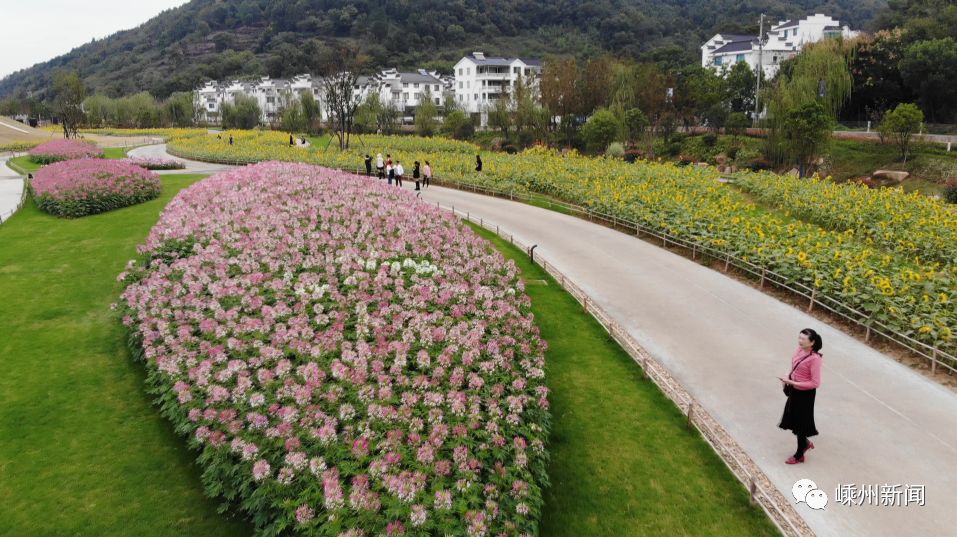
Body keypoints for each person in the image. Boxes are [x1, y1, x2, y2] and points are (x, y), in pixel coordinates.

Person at [778, 328, 824, 465]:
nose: (800, 341)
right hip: (794, 390)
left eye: (803, 339)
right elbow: (794, 365)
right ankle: (805, 444)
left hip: (805, 395)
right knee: (793, 419)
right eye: (799, 338)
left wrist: (793, 382)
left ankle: (799, 454)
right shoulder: (799, 350)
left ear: (812, 342)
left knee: (801, 424)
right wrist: (788, 378)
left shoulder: (815, 359)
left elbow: (815, 383)